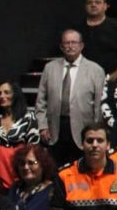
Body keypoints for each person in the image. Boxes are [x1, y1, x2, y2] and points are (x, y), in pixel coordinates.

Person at [36, 31, 106, 165]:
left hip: (83, 128)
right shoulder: (50, 68)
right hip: (55, 127)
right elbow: (41, 100)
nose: (70, 46)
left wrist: (96, 129)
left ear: (81, 46)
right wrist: (42, 126)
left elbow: (99, 104)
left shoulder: (95, 70)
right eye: (66, 43)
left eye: (74, 42)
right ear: (61, 46)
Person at [0, 80, 39, 190]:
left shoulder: (28, 117)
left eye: (6, 92)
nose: (2, 96)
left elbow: (33, 146)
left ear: (15, 95)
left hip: (20, 167)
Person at [77, 0, 117, 74]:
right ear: (85, 6)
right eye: (89, 2)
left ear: (105, 6)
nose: (93, 5)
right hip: (83, 76)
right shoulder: (76, 31)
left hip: (112, 76)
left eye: (97, 2)